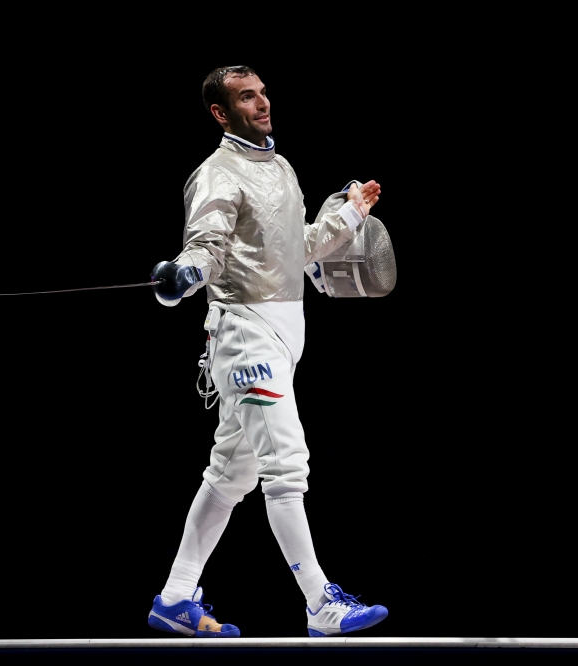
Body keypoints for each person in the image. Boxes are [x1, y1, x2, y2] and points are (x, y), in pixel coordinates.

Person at [146, 65, 390, 639]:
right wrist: (185, 274)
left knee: (231, 474)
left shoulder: (280, 168)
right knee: (286, 467)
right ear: (220, 112)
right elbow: (205, 246)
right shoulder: (216, 174)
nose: (262, 103)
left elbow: (295, 249)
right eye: (246, 97)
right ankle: (319, 604)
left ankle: (176, 596)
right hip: (246, 336)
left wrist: (350, 213)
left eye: (262, 93)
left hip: (281, 339)